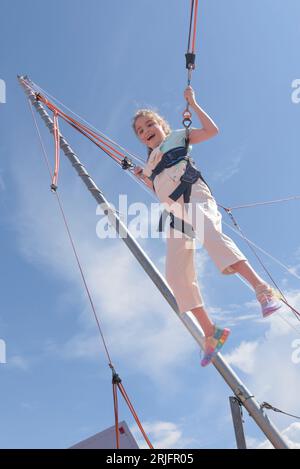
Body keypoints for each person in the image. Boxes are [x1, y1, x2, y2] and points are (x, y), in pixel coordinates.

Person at [132, 86, 282, 366]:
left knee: (211, 235)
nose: (146, 130)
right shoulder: (150, 162)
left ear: (162, 125)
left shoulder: (180, 135)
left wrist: (194, 103)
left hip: (195, 196)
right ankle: (210, 332)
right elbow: (157, 188)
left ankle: (262, 289)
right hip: (176, 214)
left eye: (150, 123)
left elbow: (212, 131)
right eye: (140, 130)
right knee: (175, 274)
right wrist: (143, 175)